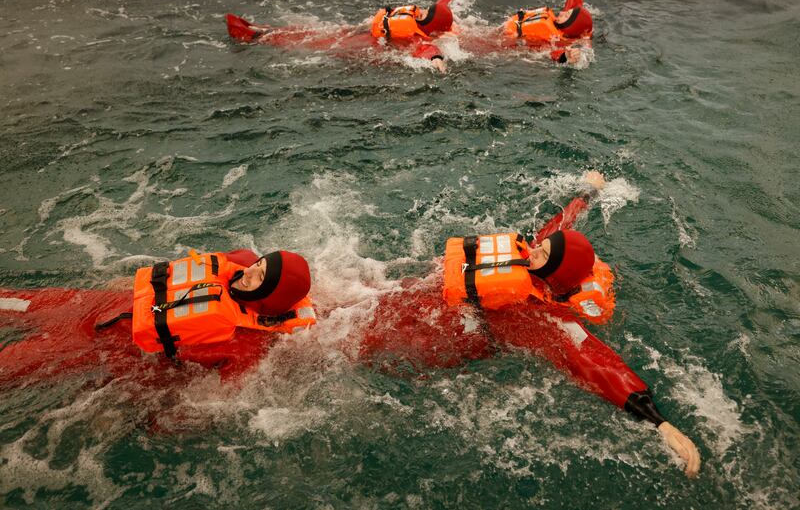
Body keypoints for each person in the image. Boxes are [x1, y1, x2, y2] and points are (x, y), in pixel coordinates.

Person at [361, 171, 701, 478]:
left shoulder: (543, 320)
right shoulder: (537, 258)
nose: (532, 250)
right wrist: (588, 192)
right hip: (426, 296)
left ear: (554, 274)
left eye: (541, 254)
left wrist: (659, 422)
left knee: (361, 345)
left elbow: (596, 363)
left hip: (444, 335)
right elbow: (560, 226)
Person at [0, 248, 314, 386]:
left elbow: (211, 404)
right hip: (95, 305)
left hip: (96, 348)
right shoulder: (238, 262)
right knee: (9, 301)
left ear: (270, 298)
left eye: (259, 278)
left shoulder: (246, 346)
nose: (247, 273)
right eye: (258, 265)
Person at [226, 0, 458, 73]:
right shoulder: (427, 22)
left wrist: (437, 60)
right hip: (365, 34)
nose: (422, 11)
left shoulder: (414, 36)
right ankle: (264, 32)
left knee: (317, 41)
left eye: (425, 14)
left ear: (429, 24)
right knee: (314, 36)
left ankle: (256, 36)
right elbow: (442, 5)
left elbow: (426, 49)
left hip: (365, 43)